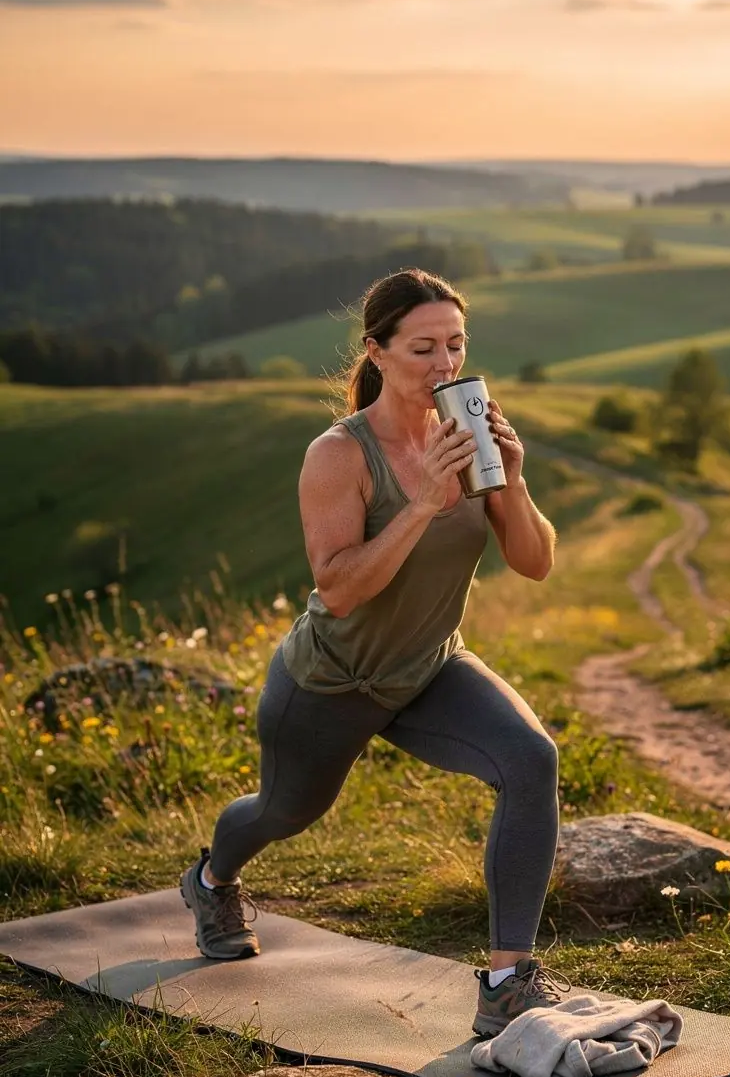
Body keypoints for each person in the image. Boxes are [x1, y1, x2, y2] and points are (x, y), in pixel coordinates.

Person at [180, 268, 570, 1037]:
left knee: (532, 760)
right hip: (332, 681)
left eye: (456, 345)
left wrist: (512, 484)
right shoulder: (338, 455)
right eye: (423, 347)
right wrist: (422, 505)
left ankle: (505, 982)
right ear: (378, 352)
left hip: (430, 668)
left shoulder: (471, 433)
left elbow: (535, 562)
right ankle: (211, 880)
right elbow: (341, 589)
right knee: (284, 812)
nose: (445, 365)